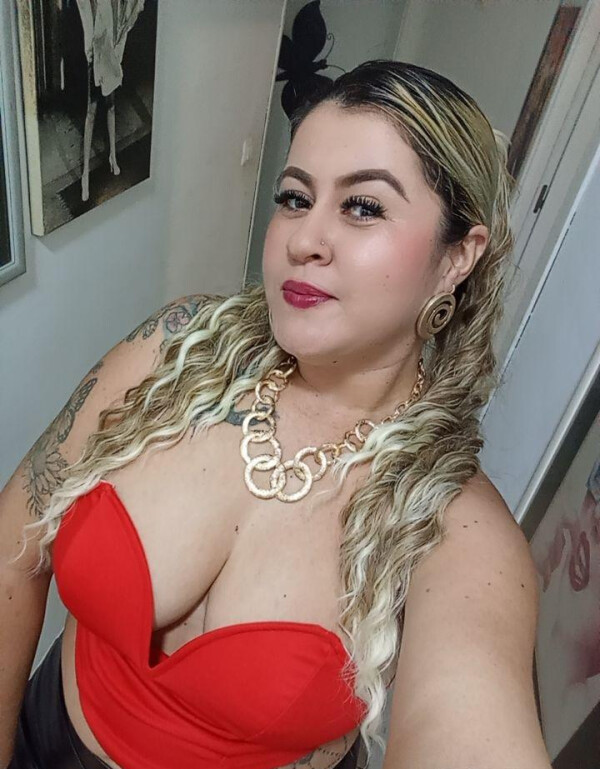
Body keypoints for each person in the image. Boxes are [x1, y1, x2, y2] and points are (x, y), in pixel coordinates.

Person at [0, 60, 553, 769]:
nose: (303, 240)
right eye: (295, 197)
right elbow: (16, 542)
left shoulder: (454, 527)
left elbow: (469, 721)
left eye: (363, 207)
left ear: (456, 259)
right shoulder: (177, 348)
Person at [75, 0, 145, 201]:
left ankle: (113, 156)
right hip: (97, 50)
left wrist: (117, 48)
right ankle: (85, 175)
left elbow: (125, 13)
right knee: (91, 111)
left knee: (111, 106)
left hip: (113, 48)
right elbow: (86, 11)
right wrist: (90, 51)